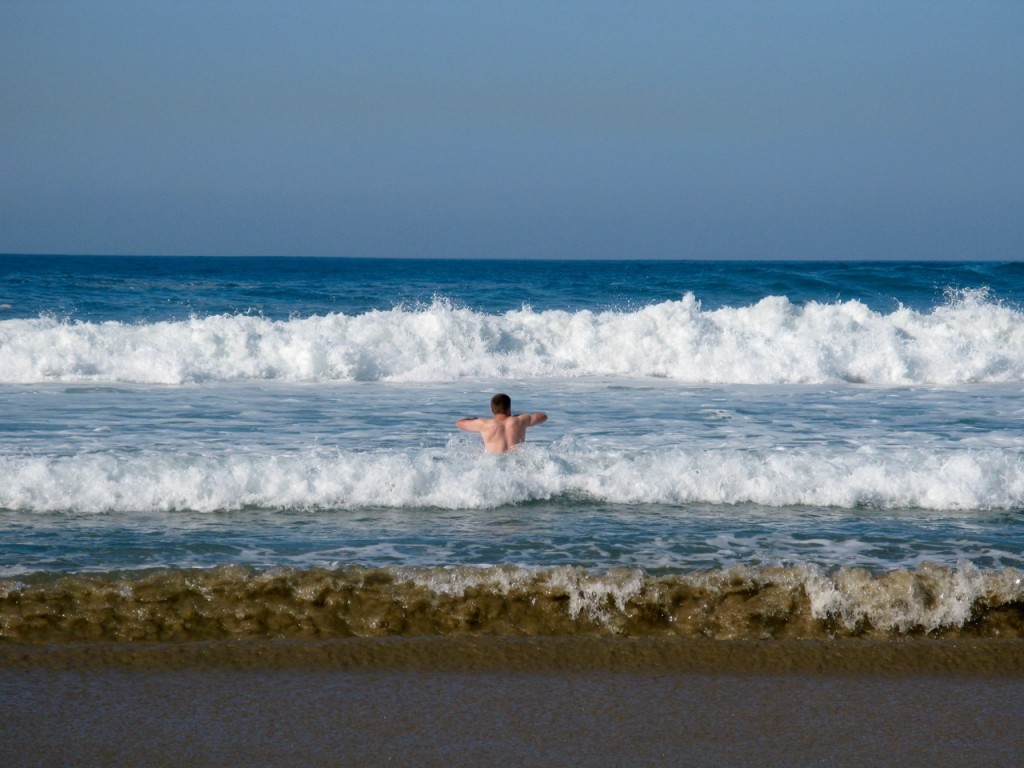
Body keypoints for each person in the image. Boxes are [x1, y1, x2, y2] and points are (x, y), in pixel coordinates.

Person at [456, 393, 547, 454]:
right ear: (509, 408)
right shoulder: (520, 420)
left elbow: (459, 423)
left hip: (494, 467)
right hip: (516, 464)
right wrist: (522, 415)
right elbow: (543, 416)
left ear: (492, 410)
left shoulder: (484, 424)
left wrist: (474, 419)